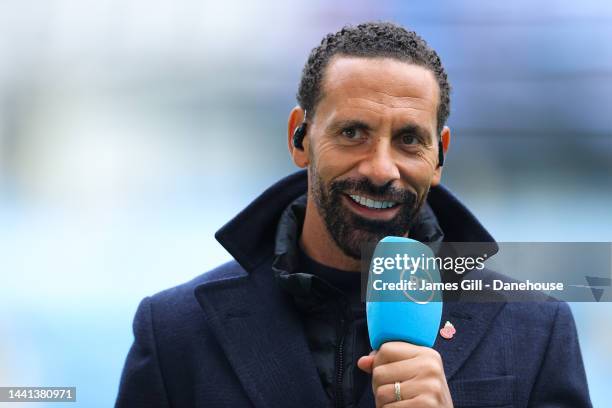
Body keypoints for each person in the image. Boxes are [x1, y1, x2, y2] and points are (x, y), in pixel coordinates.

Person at [115, 22, 591, 407]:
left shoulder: (535, 329)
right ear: (299, 139)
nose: (382, 169)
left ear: (440, 156)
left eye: (408, 139)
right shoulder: (175, 330)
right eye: (352, 133)